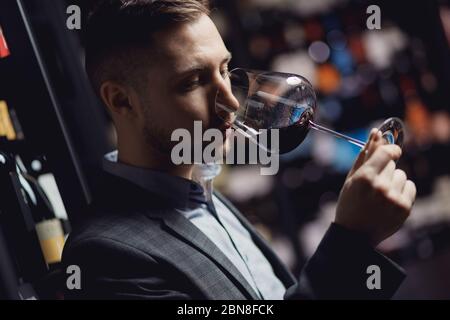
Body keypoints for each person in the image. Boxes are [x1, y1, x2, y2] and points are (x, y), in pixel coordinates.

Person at [62, 0, 416, 300]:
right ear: (122, 101)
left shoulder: (201, 190)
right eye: (193, 82)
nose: (231, 101)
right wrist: (351, 241)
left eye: (224, 69)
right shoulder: (106, 258)